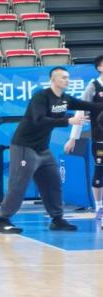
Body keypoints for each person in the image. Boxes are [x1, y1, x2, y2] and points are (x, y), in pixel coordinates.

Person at [0, 66, 103, 234]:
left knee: (53, 183)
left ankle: (57, 220)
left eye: (68, 77)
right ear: (53, 80)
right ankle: (3, 220)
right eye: (63, 77)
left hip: (43, 149)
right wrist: (68, 121)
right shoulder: (41, 97)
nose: (67, 80)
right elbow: (39, 120)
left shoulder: (65, 99)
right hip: (24, 147)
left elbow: (89, 105)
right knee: (18, 185)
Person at [64, 55, 103, 221]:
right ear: (99, 68)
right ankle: (99, 207)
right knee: (99, 172)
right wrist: (73, 137)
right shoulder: (93, 87)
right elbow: (80, 111)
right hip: (100, 138)